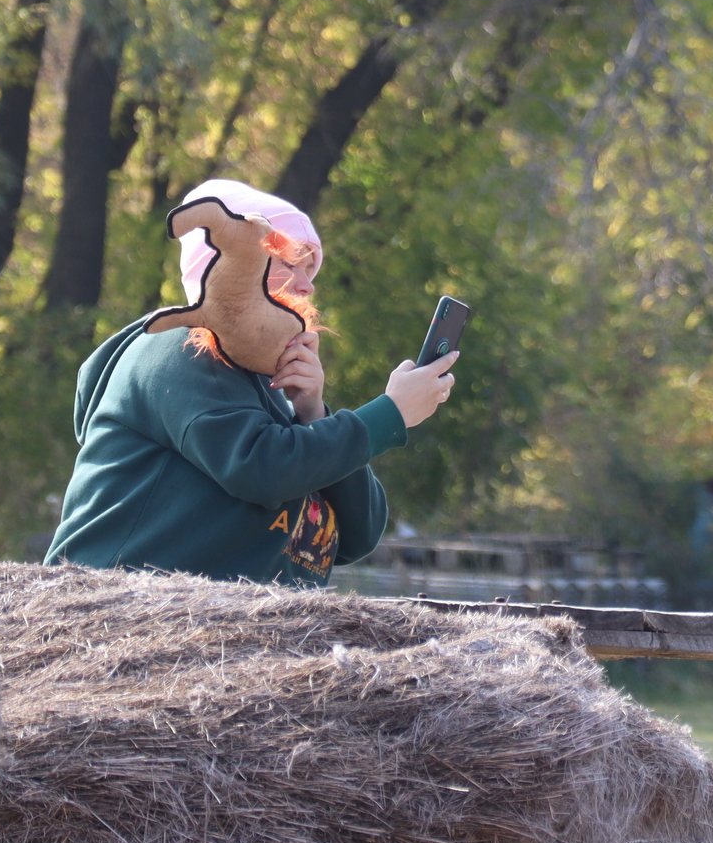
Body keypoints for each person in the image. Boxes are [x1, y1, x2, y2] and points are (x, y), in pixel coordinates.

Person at [44, 179, 458, 585]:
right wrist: (390, 414)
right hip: (116, 620)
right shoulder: (181, 349)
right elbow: (261, 469)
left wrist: (313, 413)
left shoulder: (272, 386)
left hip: (233, 639)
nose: (307, 284)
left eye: (310, 268)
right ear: (223, 264)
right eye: (289, 262)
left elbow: (357, 536)